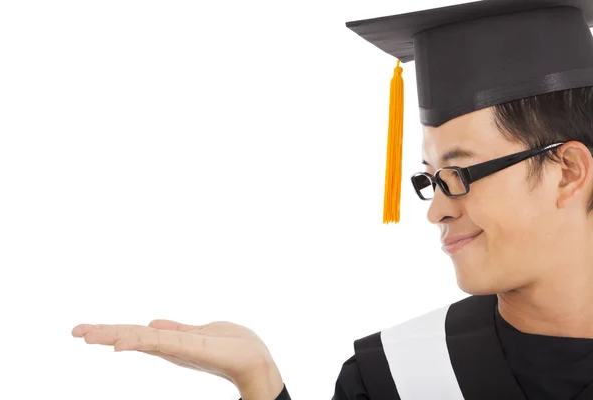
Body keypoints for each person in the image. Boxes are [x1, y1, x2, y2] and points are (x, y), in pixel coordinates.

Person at [72, 0, 593, 399]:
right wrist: (261, 382)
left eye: (458, 173)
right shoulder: (394, 376)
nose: (436, 209)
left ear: (568, 171)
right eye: (430, 179)